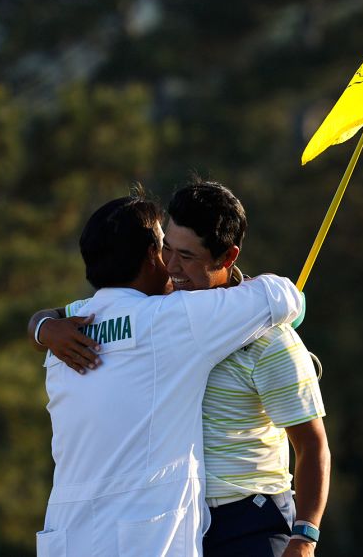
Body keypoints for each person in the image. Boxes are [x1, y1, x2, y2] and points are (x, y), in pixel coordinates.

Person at [31, 181, 330, 557]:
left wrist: (305, 536)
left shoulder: (70, 328)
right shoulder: (169, 319)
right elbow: (282, 294)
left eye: (185, 256)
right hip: (168, 527)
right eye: (165, 250)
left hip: (244, 521)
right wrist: (296, 304)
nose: (172, 267)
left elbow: (311, 442)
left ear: (226, 257)